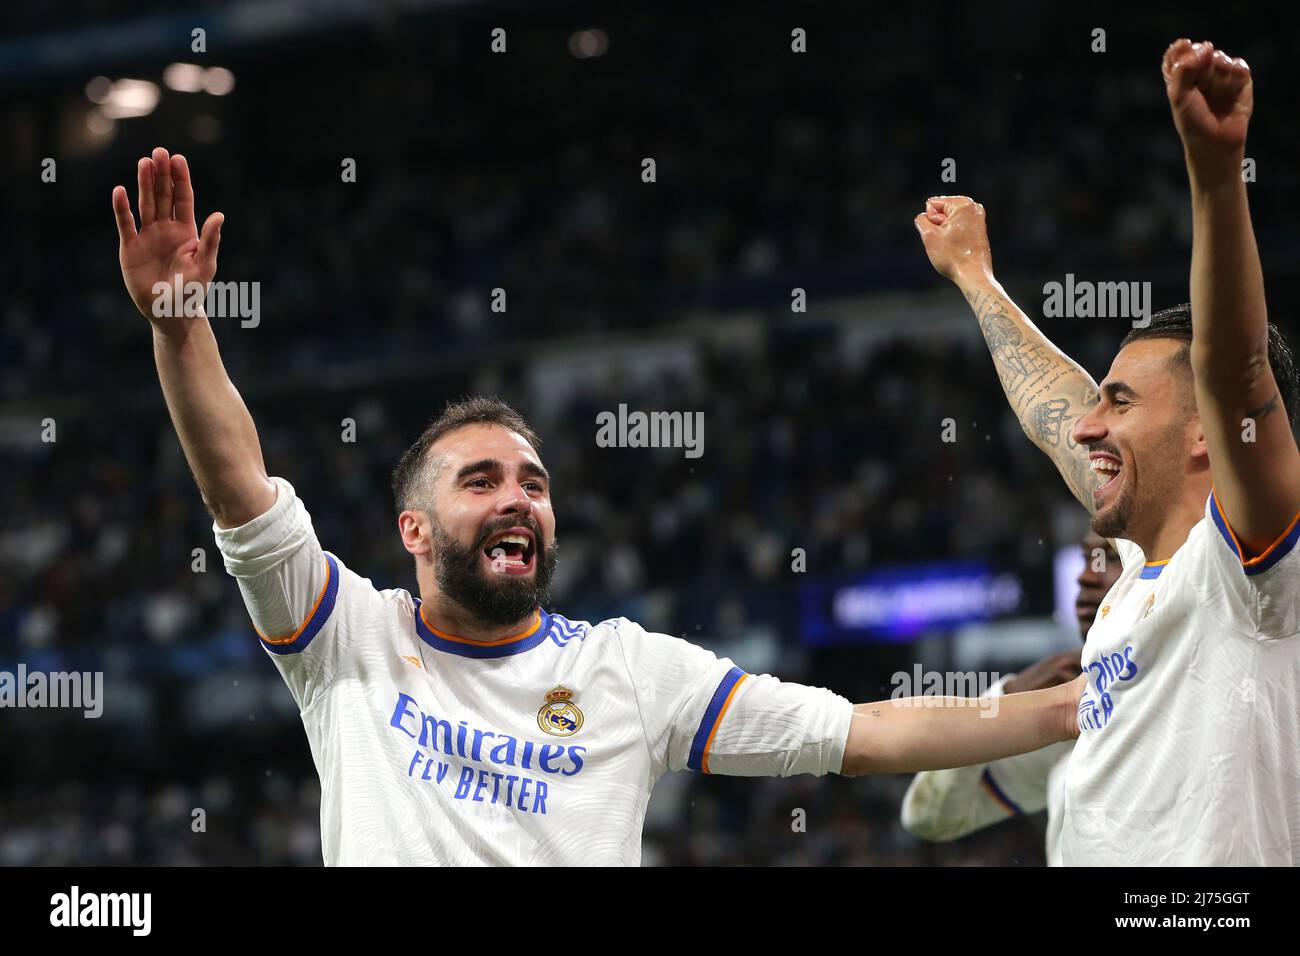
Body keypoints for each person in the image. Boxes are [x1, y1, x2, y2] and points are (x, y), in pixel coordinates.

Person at [111, 148, 1083, 866]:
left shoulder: (625, 668)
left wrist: (1073, 702)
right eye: (481, 480)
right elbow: (238, 484)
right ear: (412, 530)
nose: (518, 499)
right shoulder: (344, 638)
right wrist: (180, 328)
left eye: (533, 482)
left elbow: (867, 732)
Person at [915, 39, 1300, 864]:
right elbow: (1056, 414)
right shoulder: (1139, 573)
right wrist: (977, 281)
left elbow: (1233, 371)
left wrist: (1215, 167)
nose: (1089, 425)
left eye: (1118, 403)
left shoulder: (1247, 576)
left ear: (1208, 435)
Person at [900, 534, 1121, 864]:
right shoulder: (1064, 716)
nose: (1085, 575)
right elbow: (929, 816)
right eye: (1087, 557)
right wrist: (1005, 700)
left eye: (1110, 557)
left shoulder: (1201, 686)